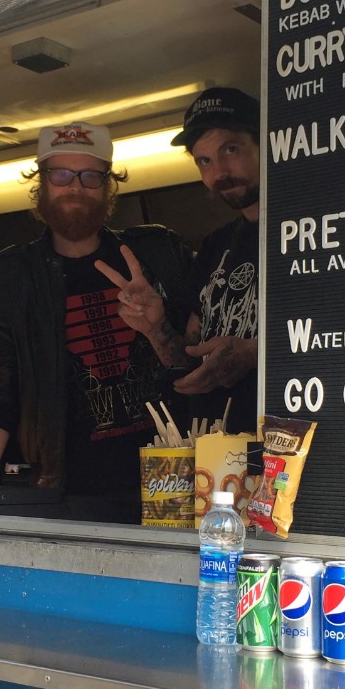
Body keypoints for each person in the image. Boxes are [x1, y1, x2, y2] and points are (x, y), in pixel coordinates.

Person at [0, 121, 191, 524]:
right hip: (67, 490)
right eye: (61, 174)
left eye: (90, 175)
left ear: (108, 185)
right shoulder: (12, 275)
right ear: (42, 183)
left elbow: (194, 369)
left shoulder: (154, 254)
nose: (75, 187)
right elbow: (0, 388)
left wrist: (157, 328)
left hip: (170, 480)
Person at [95, 87, 260, 434]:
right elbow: (188, 362)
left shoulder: (315, 232)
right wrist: (155, 328)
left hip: (294, 452)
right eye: (205, 161)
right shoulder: (216, 245)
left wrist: (256, 353)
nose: (220, 171)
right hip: (217, 457)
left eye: (230, 149)